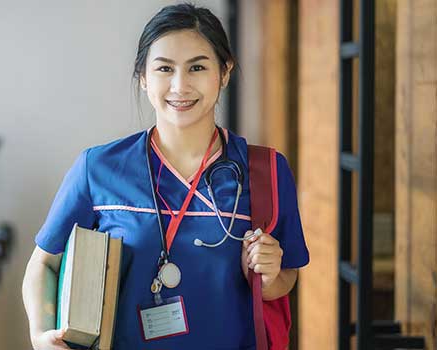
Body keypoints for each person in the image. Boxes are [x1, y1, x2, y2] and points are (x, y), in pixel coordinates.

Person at [22, 3, 309, 349]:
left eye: (197, 67)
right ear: (143, 77)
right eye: (164, 68)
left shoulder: (267, 171)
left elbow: (285, 279)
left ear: (225, 72)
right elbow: (44, 264)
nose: (180, 85)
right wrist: (39, 336)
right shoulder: (97, 169)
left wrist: (270, 275)